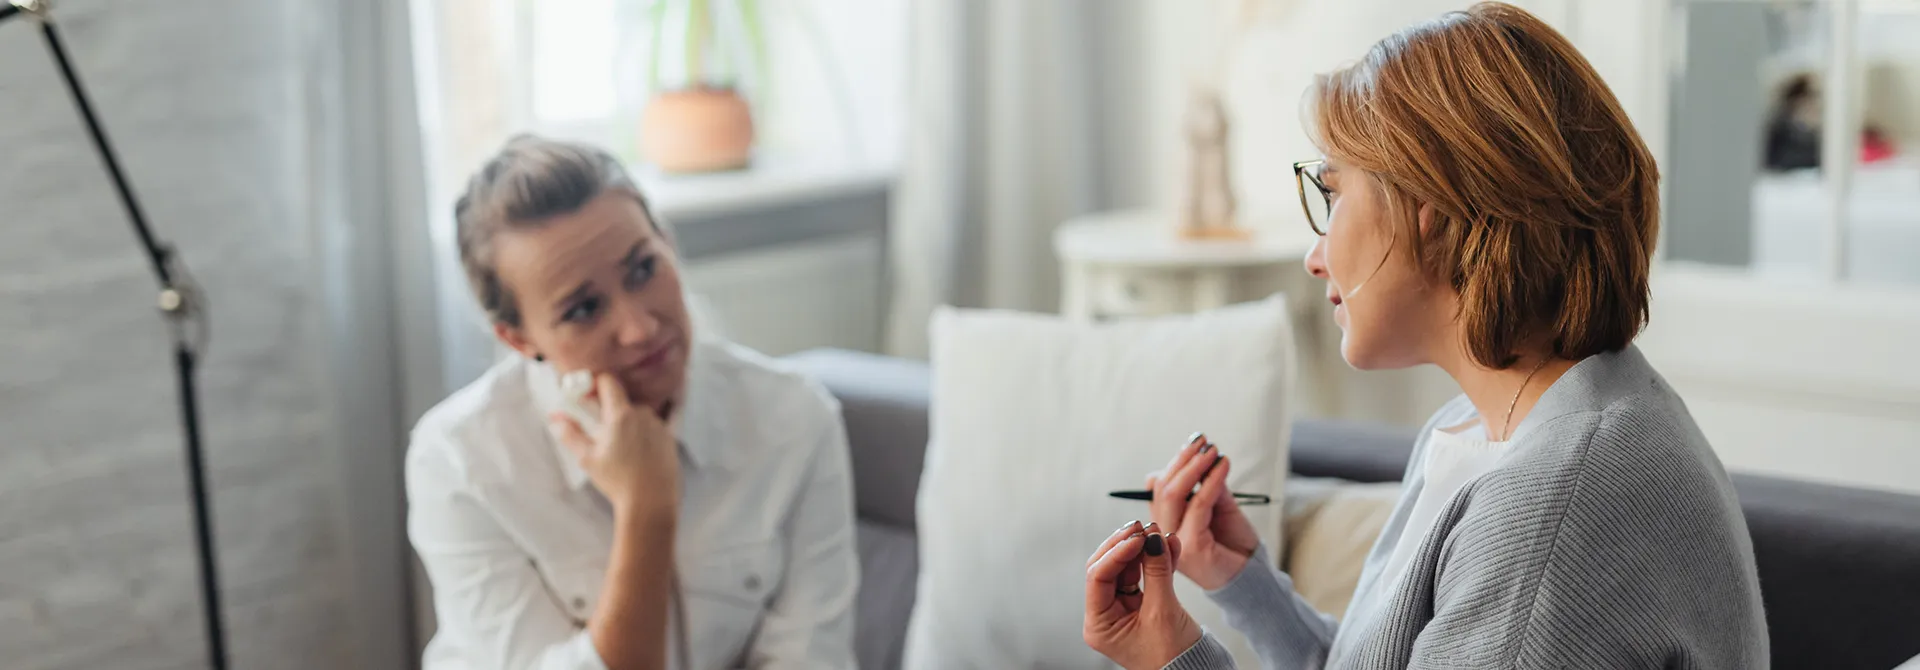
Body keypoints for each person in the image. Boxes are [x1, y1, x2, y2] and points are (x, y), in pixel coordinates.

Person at [1082, 4, 1768, 669]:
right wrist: (1244, 582)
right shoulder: (1493, 427)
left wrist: (1171, 661)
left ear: (1427, 209)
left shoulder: (1545, 509)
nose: (1313, 255)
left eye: (1332, 193)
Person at [406, 136, 859, 670]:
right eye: (584, 309)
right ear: (520, 341)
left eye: (644, 269)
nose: (641, 327)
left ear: (666, 242)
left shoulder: (795, 420)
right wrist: (646, 511)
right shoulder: (461, 462)